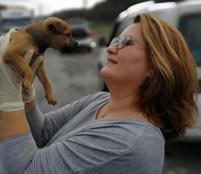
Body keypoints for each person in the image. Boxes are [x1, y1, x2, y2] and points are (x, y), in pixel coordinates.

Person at [0, 13, 198, 174]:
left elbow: (24, 169)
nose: (112, 48)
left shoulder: (128, 140)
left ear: (157, 66)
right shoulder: (101, 100)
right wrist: (25, 94)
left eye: (127, 43)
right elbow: (44, 132)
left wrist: (9, 99)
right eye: (115, 40)